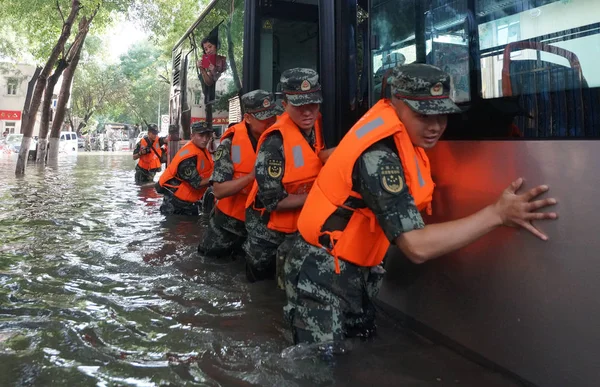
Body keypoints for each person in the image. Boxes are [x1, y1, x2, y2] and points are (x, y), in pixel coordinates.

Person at [283, 63, 559, 349]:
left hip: (348, 269)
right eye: (424, 114)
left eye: (443, 115)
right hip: (321, 273)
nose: (436, 126)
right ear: (397, 102)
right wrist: (497, 214)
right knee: (318, 368)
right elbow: (416, 247)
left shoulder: (399, 135)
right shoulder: (379, 157)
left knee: (353, 355)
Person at [243, 68, 336, 283]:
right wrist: (321, 196)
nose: (307, 112)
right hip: (267, 238)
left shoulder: (314, 125)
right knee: (262, 294)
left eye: (313, 104)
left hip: (298, 229)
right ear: (284, 106)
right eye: (299, 105)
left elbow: (312, 156)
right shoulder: (274, 143)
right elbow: (274, 201)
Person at [198, 90, 281, 258]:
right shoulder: (229, 144)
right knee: (211, 264)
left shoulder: (280, 138)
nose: (270, 121)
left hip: (262, 226)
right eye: (263, 117)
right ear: (248, 118)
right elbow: (219, 190)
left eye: (272, 116)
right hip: (229, 225)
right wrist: (252, 176)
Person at [156, 121, 215, 216]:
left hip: (188, 202)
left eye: (207, 136)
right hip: (176, 205)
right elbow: (197, 183)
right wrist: (218, 177)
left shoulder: (201, 149)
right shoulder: (187, 158)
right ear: (192, 136)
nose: (205, 139)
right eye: (201, 135)